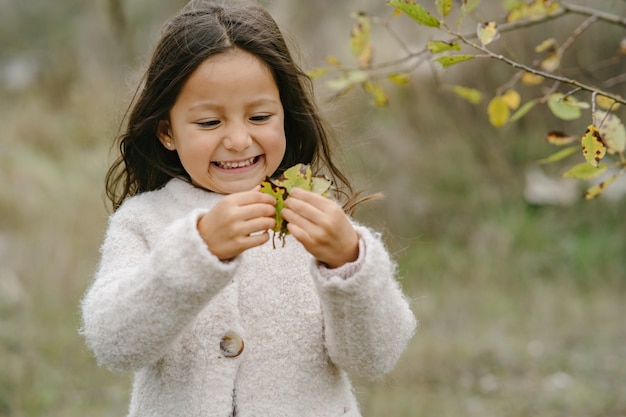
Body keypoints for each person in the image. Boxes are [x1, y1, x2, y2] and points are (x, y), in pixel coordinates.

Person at [80, 1, 416, 416]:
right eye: (209, 123)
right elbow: (114, 344)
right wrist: (194, 253)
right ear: (167, 131)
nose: (239, 140)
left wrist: (349, 262)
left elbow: (375, 357)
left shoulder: (315, 218)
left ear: (284, 119)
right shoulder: (144, 222)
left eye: (259, 116)